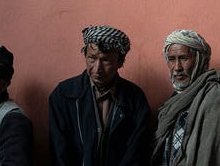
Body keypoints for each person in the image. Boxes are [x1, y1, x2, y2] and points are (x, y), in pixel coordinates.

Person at [151, 29, 220, 166]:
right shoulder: (174, 100)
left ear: (201, 61)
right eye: (172, 59)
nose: (177, 67)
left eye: (184, 58)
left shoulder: (216, 98)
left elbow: (214, 156)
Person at [49, 25, 151, 166]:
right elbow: (59, 151)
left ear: (120, 62)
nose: (97, 69)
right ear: (85, 55)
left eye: (106, 60)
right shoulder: (64, 95)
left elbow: (136, 152)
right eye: (92, 58)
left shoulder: (135, 99)